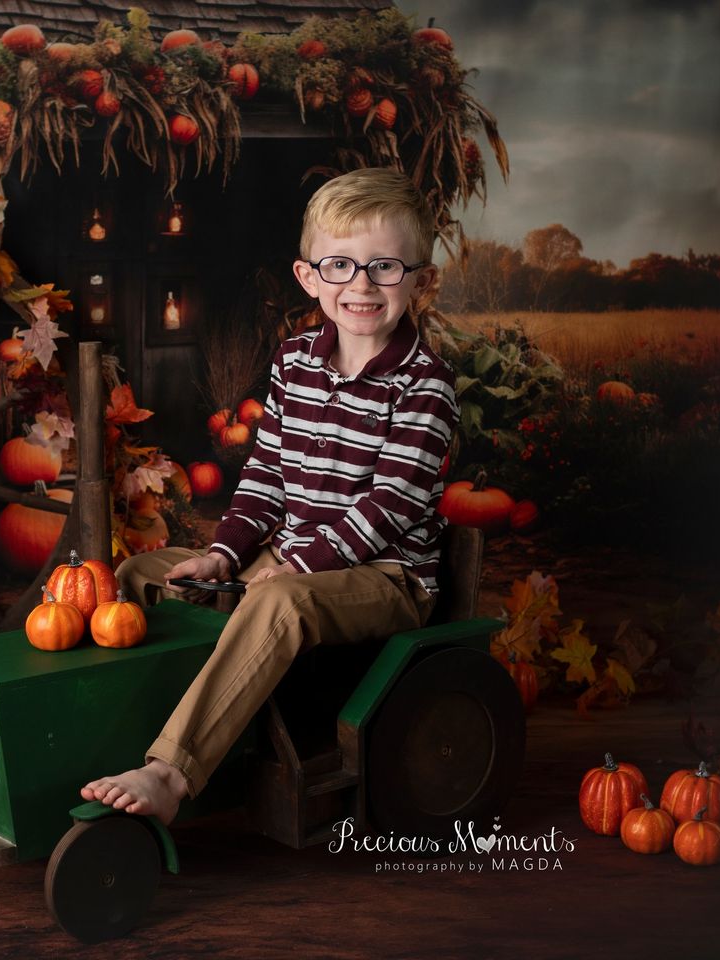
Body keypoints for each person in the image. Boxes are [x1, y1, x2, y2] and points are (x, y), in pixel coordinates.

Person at [80, 167, 458, 825]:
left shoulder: (423, 387)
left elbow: (388, 506)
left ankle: (170, 772)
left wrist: (290, 568)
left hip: (385, 579)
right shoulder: (294, 364)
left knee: (280, 601)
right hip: (290, 564)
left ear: (421, 280)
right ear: (308, 277)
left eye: (384, 267)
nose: (360, 285)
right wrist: (225, 558)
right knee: (147, 575)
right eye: (338, 265)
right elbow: (265, 477)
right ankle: (123, 728)